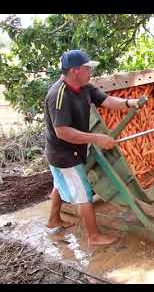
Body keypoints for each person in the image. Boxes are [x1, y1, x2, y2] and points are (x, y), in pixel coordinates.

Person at [44, 50, 141, 246]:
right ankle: (93, 236)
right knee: (83, 193)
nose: (91, 71)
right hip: (63, 154)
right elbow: (62, 131)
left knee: (59, 184)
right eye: (88, 68)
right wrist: (97, 138)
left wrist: (129, 103)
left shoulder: (85, 86)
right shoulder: (59, 95)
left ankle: (53, 219)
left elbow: (106, 101)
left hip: (72, 149)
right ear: (75, 71)